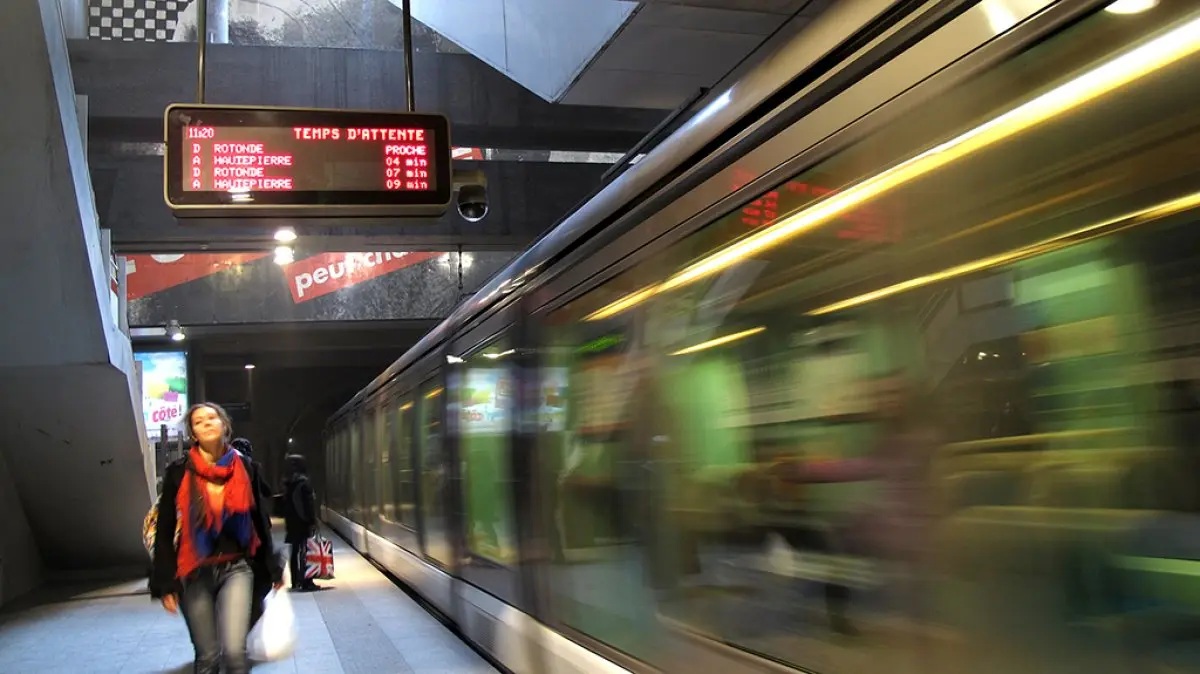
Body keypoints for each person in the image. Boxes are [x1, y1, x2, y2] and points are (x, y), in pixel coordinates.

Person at [149, 403, 284, 674]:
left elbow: (259, 521)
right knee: (208, 656)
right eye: (199, 421)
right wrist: (164, 582)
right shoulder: (179, 472)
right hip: (194, 572)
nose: (207, 423)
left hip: (237, 568)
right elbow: (164, 529)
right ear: (193, 433)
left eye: (212, 418)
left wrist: (271, 567)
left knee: (234, 653)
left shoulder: (245, 467)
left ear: (225, 425)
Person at [282, 454, 320, 591]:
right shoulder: (304, 483)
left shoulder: (288, 484)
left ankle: (295, 580)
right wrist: (312, 521)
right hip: (302, 523)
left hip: (292, 523)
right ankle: (306, 581)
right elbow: (308, 505)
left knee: (294, 552)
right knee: (305, 551)